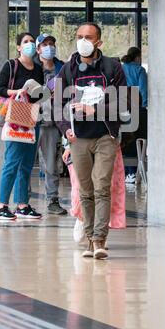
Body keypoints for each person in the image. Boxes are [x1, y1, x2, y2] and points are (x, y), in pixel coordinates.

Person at [56, 23, 128, 260]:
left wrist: (93, 109)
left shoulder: (113, 67)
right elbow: (57, 105)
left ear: (99, 42)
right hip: (78, 139)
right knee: (85, 191)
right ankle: (89, 239)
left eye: (88, 37)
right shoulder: (68, 70)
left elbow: (123, 103)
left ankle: (100, 241)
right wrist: (66, 129)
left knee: (102, 186)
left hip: (106, 136)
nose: (83, 41)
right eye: (79, 36)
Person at [0, 32, 44, 220]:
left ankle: (22, 205)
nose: (30, 44)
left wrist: (45, 93)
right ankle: (1, 206)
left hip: (32, 117)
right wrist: (18, 91)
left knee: (27, 164)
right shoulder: (11, 65)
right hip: (15, 117)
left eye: (32, 41)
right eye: (26, 42)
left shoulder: (37, 69)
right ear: (19, 47)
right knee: (12, 162)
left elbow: (39, 94)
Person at [34, 33, 67, 215]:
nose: (49, 47)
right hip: (34, 119)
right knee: (25, 162)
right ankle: (23, 201)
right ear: (38, 49)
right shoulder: (31, 68)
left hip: (57, 120)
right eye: (45, 44)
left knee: (51, 163)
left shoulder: (62, 67)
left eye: (51, 43)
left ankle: (53, 200)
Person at [121, 47, 148, 184]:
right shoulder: (139, 70)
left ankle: (126, 173)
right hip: (137, 108)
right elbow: (143, 90)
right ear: (137, 57)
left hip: (121, 108)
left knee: (125, 139)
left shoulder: (120, 69)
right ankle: (133, 172)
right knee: (137, 138)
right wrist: (145, 105)